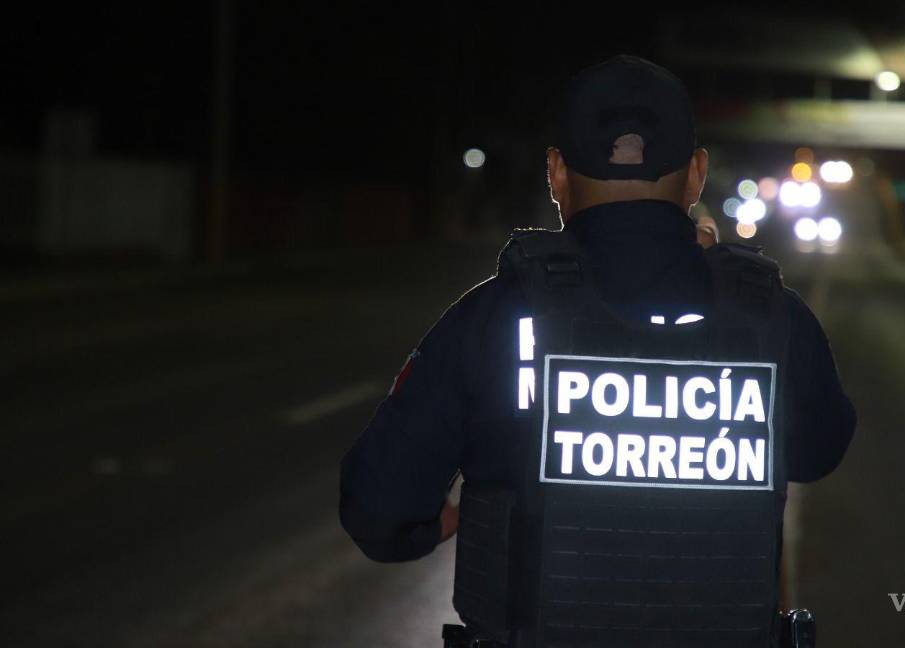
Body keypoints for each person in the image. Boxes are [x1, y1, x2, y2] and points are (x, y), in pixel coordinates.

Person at [340, 55, 854, 647]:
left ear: (556, 173)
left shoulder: (495, 316)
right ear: (695, 175)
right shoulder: (772, 316)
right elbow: (819, 450)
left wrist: (429, 524)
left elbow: (379, 509)